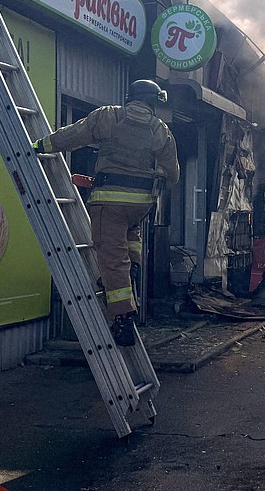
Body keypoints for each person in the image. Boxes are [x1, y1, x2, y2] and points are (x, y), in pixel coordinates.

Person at [33, 79, 180, 347]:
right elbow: (173, 174)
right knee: (130, 236)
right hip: (140, 206)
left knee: (111, 260)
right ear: (153, 102)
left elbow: (73, 136)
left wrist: (41, 146)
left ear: (130, 97)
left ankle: (122, 319)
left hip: (109, 202)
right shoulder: (162, 131)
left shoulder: (108, 116)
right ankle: (132, 267)